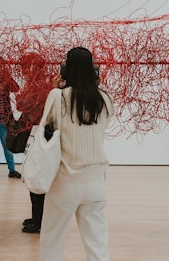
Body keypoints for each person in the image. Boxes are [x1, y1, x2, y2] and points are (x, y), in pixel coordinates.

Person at [39, 47, 114, 261]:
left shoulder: (58, 97)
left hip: (64, 180)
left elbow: (47, 126)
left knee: (52, 241)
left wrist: (55, 89)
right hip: (96, 182)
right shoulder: (105, 99)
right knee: (97, 244)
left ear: (66, 69)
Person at [15, 52, 54, 233]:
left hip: (39, 137)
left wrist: (26, 91)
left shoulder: (40, 86)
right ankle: (37, 217)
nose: (23, 71)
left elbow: (22, 105)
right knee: (33, 176)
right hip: (36, 136)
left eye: (25, 67)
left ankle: (39, 222)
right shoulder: (42, 84)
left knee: (36, 176)